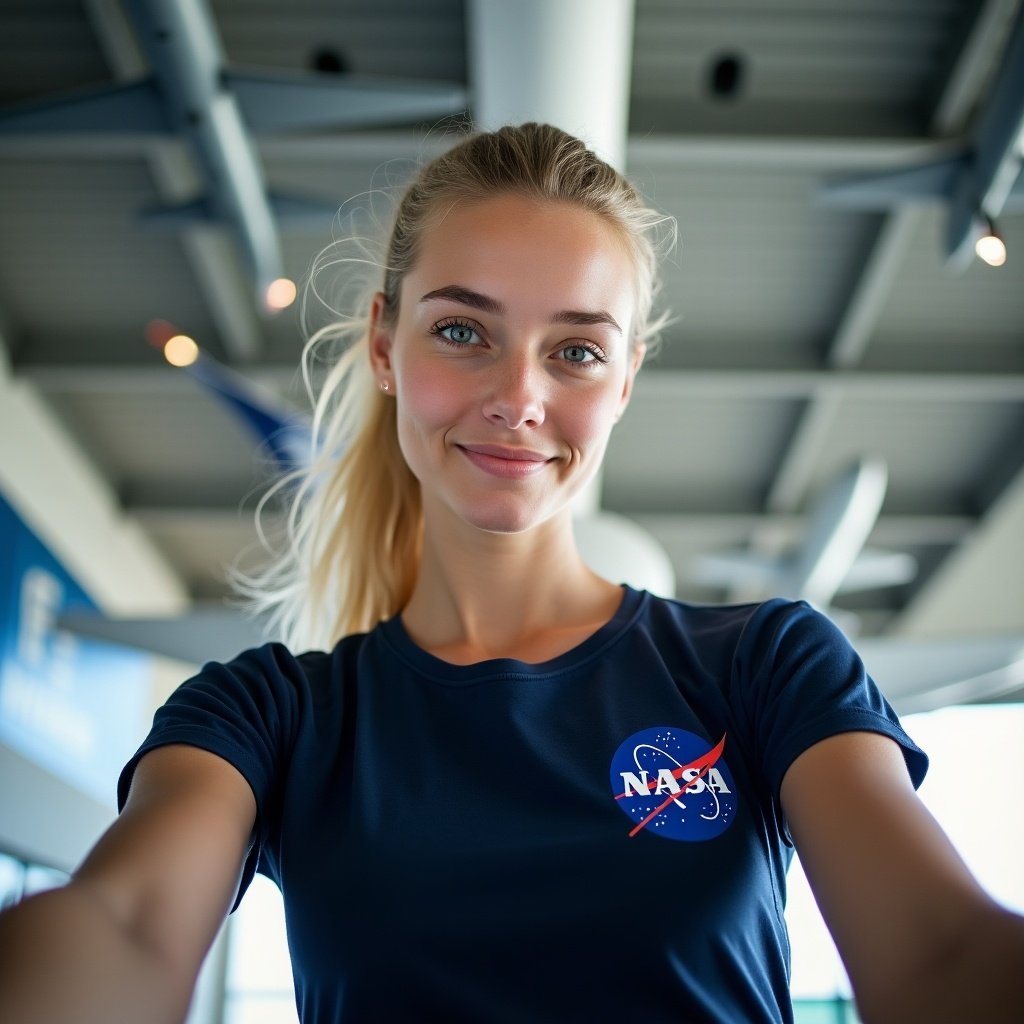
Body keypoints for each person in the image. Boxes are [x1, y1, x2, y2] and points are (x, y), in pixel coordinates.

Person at [1, 122, 1022, 1024]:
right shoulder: (271, 717)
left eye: (575, 351)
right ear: (384, 343)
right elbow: (126, 926)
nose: (518, 396)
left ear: (622, 381)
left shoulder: (764, 666)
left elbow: (935, 950)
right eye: (462, 331)